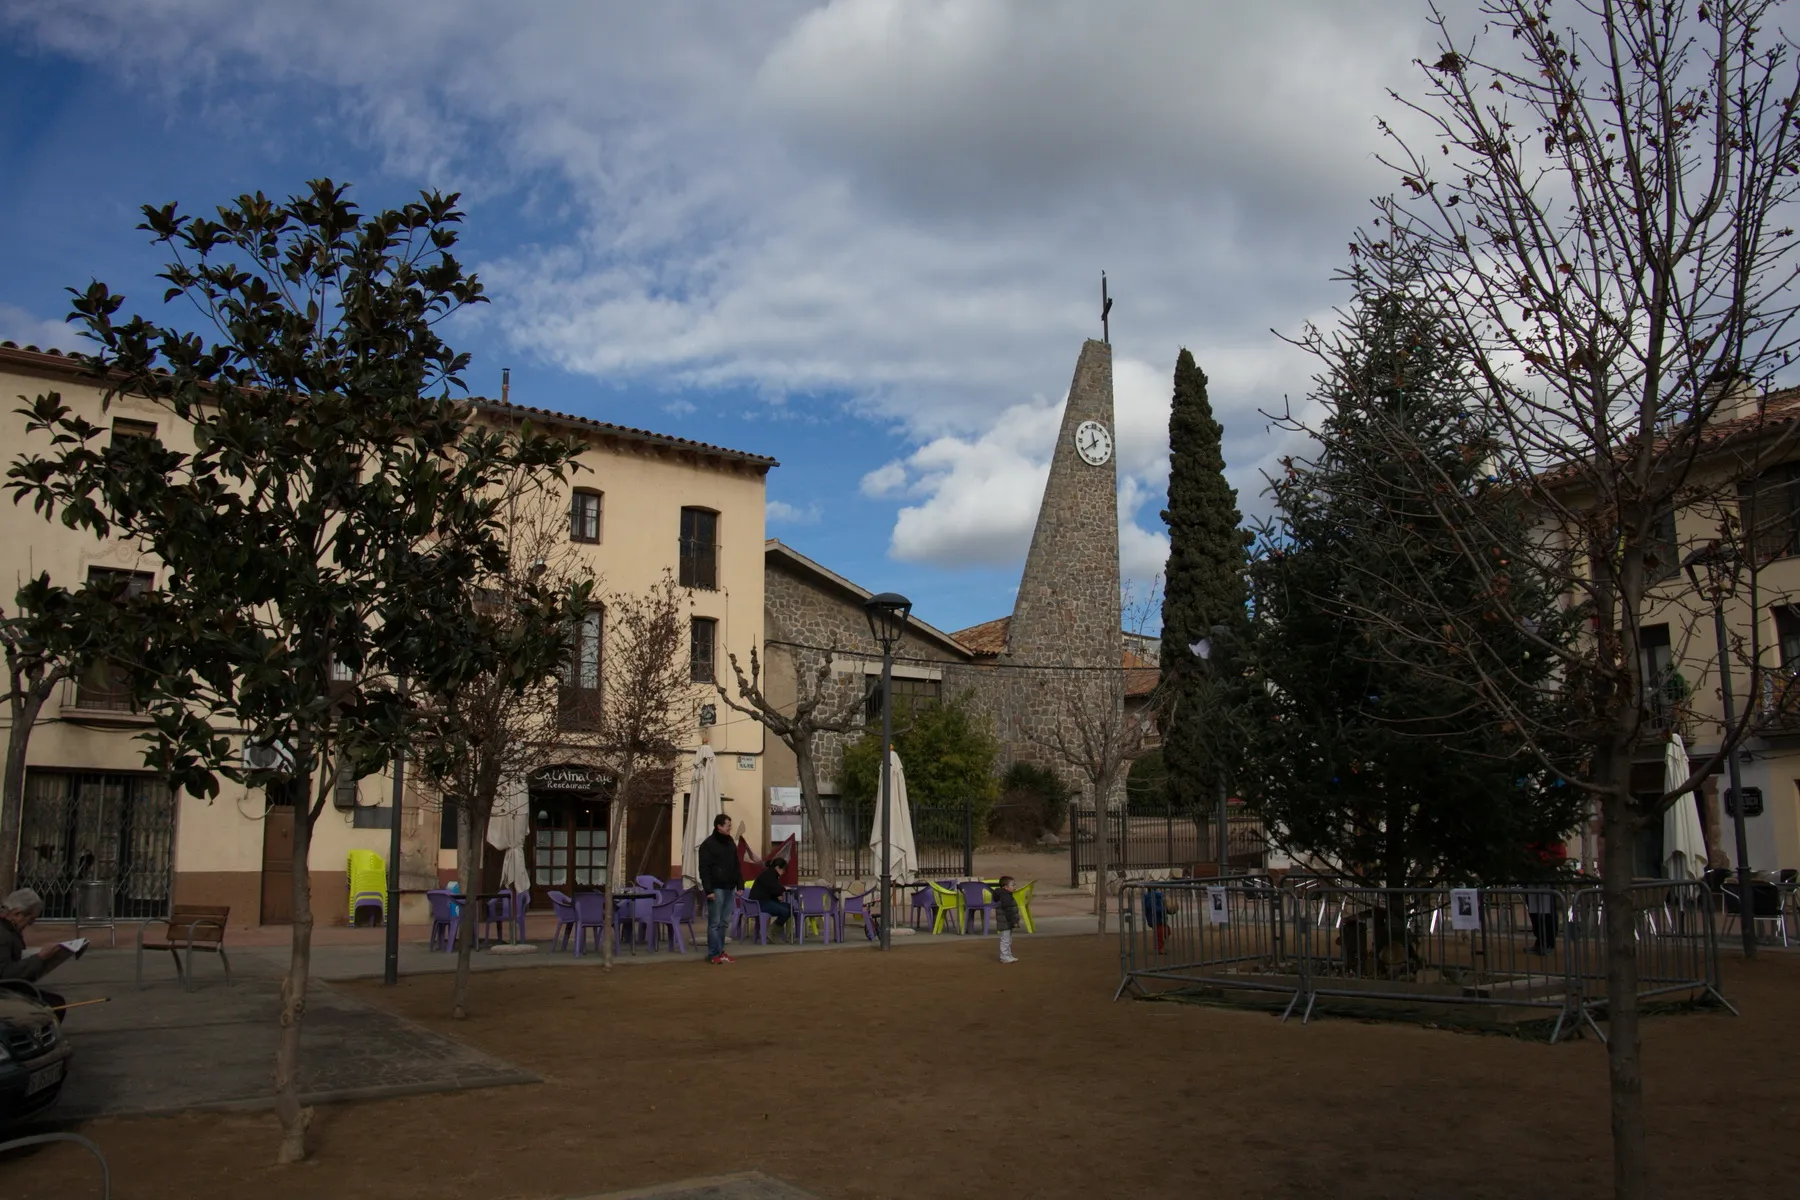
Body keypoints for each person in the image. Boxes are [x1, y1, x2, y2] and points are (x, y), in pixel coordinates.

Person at [1, 888, 74, 1014]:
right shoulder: (3, 934)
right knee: (53, 1005)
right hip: (5, 991)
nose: (30, 924)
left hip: (9, 987)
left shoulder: (9, 930)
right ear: (17, 914)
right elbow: (4, 973)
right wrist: (39, 957)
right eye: (31, 919)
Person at [697, 814, 743, 964]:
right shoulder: (707, 845)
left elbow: (736, 865)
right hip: (716, 888)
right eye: (728, 825)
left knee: (724, 922)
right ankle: (713, 954)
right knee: (714, 923)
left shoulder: (730, 843)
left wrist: (740, 884)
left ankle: (721, 951)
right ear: (719, 827)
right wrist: (708, 890)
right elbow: (704, 870)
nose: (730, 828)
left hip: (729, 887)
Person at [750, 856, 793, 935]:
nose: (783, 872)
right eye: (783, 869)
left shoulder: (771, 874)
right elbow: (774, 888)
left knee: (790, 907)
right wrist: (784, 889)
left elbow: (770, 890)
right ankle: (772, 932)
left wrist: (778, 895)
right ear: (777, 868)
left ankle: (773, 930)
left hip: (764, 901)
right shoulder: (770, 874)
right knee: (785, 911)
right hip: (760, 903)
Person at [992, 875, 1022, 963]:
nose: (1015, 887)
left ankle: (1008, 954)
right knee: (1005, 939)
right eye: (1012, 885)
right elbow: (1008, 910)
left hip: (1006, 921)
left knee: (1007, 939)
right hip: (1006, 921)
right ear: (1005, 887)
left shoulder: (1005, 895)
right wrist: (1013, 921)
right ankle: (1004, 956)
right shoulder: (1006, 896)